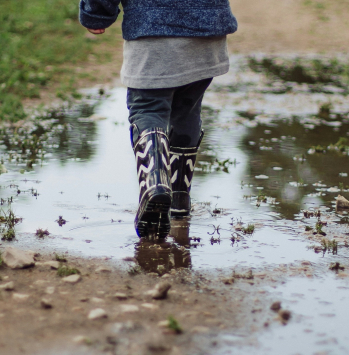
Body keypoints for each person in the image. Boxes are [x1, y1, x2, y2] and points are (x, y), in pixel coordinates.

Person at [78, 0, 238, 239]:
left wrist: (97, 13)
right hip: (208, 30)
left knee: (148, 107)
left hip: (153, 30)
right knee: (187, 110)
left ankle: (155, 186)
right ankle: (178, 203)